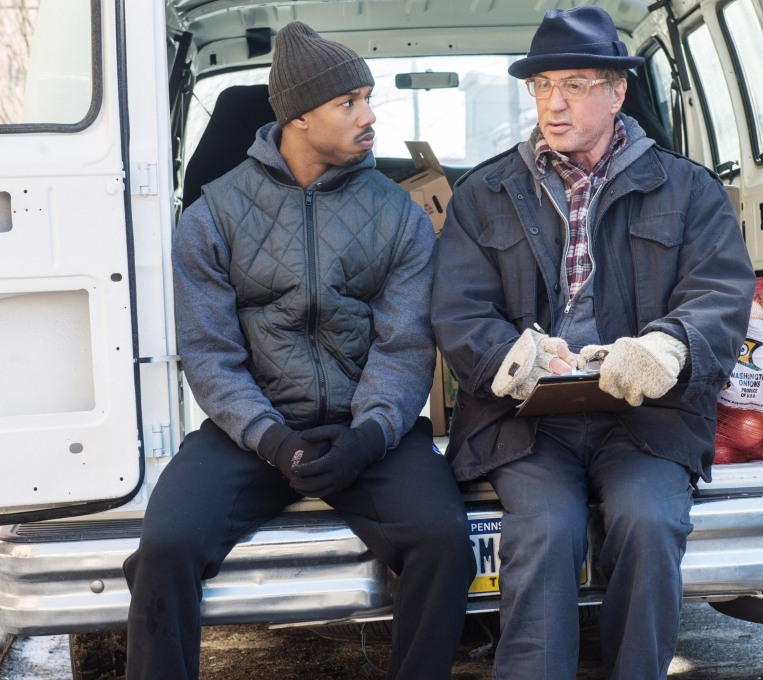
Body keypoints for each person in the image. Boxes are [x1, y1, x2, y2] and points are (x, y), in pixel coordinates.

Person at [123, 21, 475, 680]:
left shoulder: (396, 216)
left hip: (367, 435)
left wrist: (369, 436)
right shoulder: (212, 218)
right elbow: (209, 354)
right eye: (350, 103)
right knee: (165, 545)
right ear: (300, 115)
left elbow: (405, 345)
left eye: (368, 97)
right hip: (250, 436)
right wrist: (272, 440)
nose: (370, 116)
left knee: (444, 540)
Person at [431, 6, 756, 680]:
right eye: (543, 85)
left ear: (617, 91)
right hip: (526, 424)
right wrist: (512, 359)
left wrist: (667, 351)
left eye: (575, 84)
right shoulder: (481, 194)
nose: (555, 102)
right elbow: (458, 310)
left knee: (647, 523)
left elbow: (720, 295)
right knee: (545, 531)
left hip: (645, 419)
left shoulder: (690, 189)